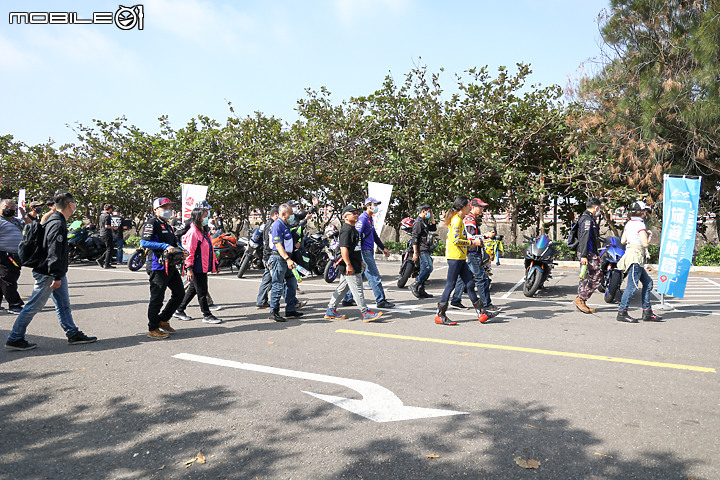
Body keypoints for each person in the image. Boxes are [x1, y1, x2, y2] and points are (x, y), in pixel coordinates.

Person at [5, 191, 97, 351]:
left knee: (63, 305)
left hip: (54, 271)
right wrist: (56, 275)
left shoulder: (55, 220)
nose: (75, 206)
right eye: (74, 203)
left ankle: (72, 333)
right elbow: (53, 251)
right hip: (48, 272)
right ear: (70, 204)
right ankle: (15, 337)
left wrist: (58, 273)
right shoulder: (57, 223)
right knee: (34, 305)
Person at [434, 196, 495, 326]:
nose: (470, 207)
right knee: (450, 285)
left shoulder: (459, 219)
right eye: (468, 205)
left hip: (460, 257)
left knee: (469, 284)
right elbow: (456, 241)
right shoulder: (457, 221)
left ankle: (481, 312)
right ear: (463, 207)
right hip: (455, 257)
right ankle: (440, 314)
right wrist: (472, 242)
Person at [324, 204, 383, 322]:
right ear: (346, 217)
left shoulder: (354, 229)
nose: (356, 215)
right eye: (353, 213)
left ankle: (331, 310)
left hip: (354, 263)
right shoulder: (346, 230)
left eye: (357, 213)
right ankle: (365, 312)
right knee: (358, 289)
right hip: (349, 265)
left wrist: (360, 261)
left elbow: (355, 247)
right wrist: (348, 265)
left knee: (342, 289)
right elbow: (343, 248)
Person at [140, 197, 186, 339]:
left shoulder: (167, 225)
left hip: (170, 265)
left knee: (179, 293)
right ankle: (152, 328)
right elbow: (144, 242)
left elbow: (174, 243)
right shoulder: (152, 223)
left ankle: (163, 319)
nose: (168, 210)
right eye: (164, 207)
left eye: (169, 207)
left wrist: (182, 250)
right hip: (157, 265)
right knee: (157, 298)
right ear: (156, 210)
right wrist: (165, 246)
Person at [616, 201, 664, 323]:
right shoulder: (640, 225)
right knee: (632, 287)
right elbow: (645, 243)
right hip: (635, 258)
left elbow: (622, 241)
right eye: (645, 211)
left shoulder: (629, 223)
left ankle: (647, 312)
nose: (645, 213)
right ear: (642, 212)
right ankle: (622, 312)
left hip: (631, 255)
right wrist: (649, 235)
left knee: (648, 283)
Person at [172, 201, 222, 317]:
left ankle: (179, 310)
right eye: (205, 214)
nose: (207, 216)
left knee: (193, 289)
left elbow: (210, 249)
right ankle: (207, 315)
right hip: (196, 266)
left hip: (203, 266)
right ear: (199, 215)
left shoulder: (204, 231)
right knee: (202, 291)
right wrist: (189, 268)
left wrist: (216, 263)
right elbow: (190, 252)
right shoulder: (193, 232)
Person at [350, 197, 394, 309]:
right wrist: (358, 254)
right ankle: (381, 300)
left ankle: (347, 298)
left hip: (367, 250)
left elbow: (374, 235)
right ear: (369, 206)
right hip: (364, 251)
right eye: (375, 205)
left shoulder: (369, 219)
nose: (377, 207)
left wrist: (383, 248)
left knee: (357, 276)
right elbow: (357, 236)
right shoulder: (363, 219)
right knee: (374, 276)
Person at [460, 198, 500, 314]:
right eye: (480, 207)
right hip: (472, 253)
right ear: (473, 207)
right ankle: (486, 305)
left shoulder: (472, 219)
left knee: (461, 279)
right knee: (482, 279)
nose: (482, 209)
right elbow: (471, 238)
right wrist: (486, 236)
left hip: (472, 252)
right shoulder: (469, 220)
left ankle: (456, 300)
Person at [267, 204, 303, 322]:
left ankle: (291, 309)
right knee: (277, 285)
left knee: (292, 283)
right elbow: (278, 244)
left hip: (288, 258)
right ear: (283, 214)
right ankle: (274, 311)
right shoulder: (277, 225)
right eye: (291, 213)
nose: (292, 215)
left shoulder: (286, 225)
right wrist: (287, 259)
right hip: (280, 258)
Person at [574, 197, 604, 314]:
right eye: (599, 208)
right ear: (596, 207)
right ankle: (581, 299)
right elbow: (584, 238)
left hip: (589, 253)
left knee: (585, 277)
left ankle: (581, 302)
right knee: (597, 275)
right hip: (587, 253)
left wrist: (597, 255)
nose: (599, 210)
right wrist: (584, 255)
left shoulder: (587, 218)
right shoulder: (587, 220)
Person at [0, 199, 25, 314]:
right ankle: (14, 305)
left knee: (3, 280)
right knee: (8, 279)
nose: (9, 209)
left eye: (12, 208)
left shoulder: (17, 221)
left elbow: (32, 225)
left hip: (16, 255)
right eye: (6, 207)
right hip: (4, 254)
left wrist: (25, 216)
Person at [409, 203, 436, 299]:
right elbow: (414, 238)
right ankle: (416, 283)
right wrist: (415, 253)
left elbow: (433, 228)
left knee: (425, 270)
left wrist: (432, 216)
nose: (429, 213)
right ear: (423, 211)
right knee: (429, 268)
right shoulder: (418, 223)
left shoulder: (424, 221)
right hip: (421, 249)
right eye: (428, 212)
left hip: (426, 248)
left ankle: (421, 289)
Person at [97, 204, 117, 269]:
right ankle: (106, 263)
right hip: (107, 233)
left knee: (109, 248)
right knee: (109, 248)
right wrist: (113, 228)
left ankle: (101, 259)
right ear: (110, 209)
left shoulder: (101, 215)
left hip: (102, 233)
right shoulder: (107, 216)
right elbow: (107, 226)